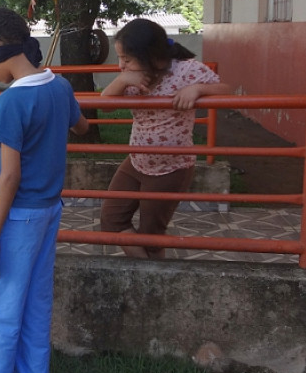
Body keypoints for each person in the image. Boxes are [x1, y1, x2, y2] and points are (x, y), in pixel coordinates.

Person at [0, 8, 89, 373]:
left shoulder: (11, 101)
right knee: (34, 299)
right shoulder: (59, 87)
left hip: (16, 216)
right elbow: (81, 126)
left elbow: (8, 177)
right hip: (49, 210)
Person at [99, 18, 232, 259]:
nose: (121, 65)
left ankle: (153, 281)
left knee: (152, 236)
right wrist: (122, 80)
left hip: (170, 168)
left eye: (126, 59)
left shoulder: (187, 70)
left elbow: (225, 90)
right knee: (111, 219)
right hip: (136, 161)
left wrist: (198, 89)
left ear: (150, 55)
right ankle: (147, 274)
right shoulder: (132, 77)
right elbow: (105, 105)